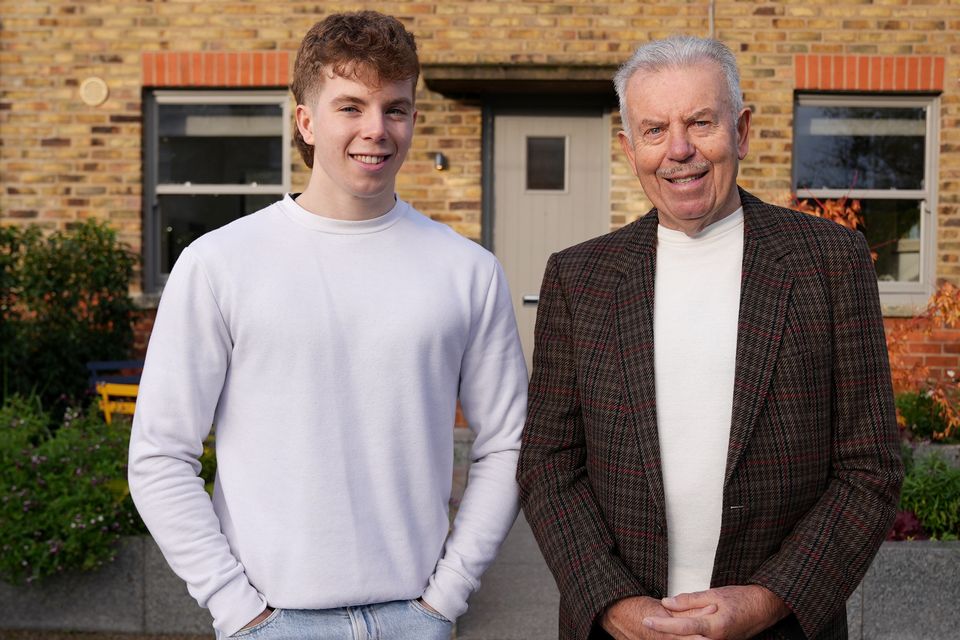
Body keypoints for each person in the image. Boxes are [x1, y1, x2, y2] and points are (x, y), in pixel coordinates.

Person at [129, 11, 527, 640]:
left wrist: (446, 598)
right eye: (351, 106)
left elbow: (507, 442)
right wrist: (238, 611)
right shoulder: (219, 264)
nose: (377, 129)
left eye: (395, 109)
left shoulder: (467, 270)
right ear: (307, 121)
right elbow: (159, 455)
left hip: (416, 617)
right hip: (271, 619)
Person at [517, 35, 903, 640]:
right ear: (628, 147)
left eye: (701, 122)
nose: (679, 151)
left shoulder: (830, 262)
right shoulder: (579, 278)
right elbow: (548, 465)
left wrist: (770, 598)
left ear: (742, 130)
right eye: (654, 130)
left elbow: (869, 467)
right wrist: (613, 604)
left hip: (782, 627)